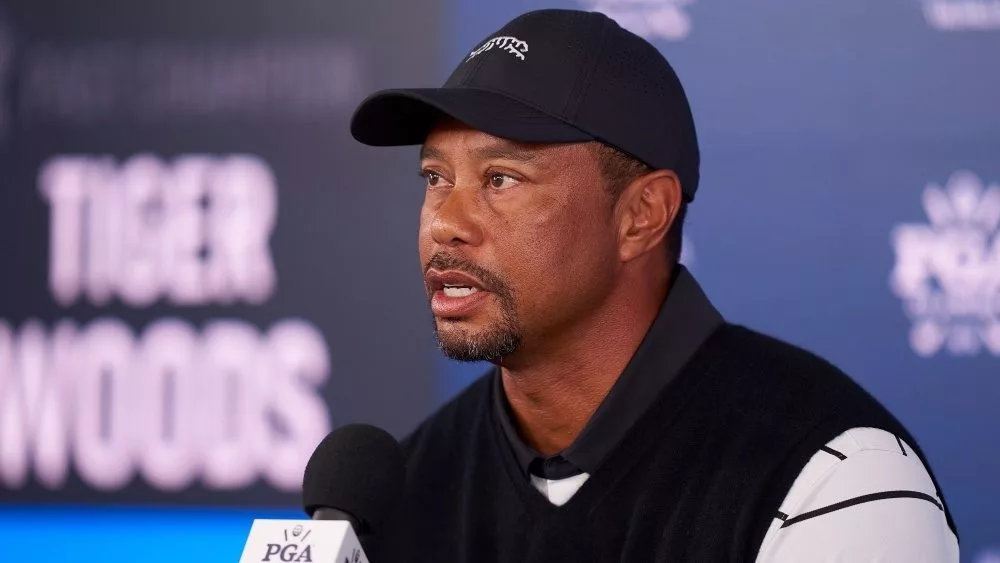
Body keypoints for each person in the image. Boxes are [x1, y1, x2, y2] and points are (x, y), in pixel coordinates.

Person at [349, 8, 959, 562]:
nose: (445, 223)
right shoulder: (402, 490)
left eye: (500, 179)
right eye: (435, 178)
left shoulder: (832, 478)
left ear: (642, 216)